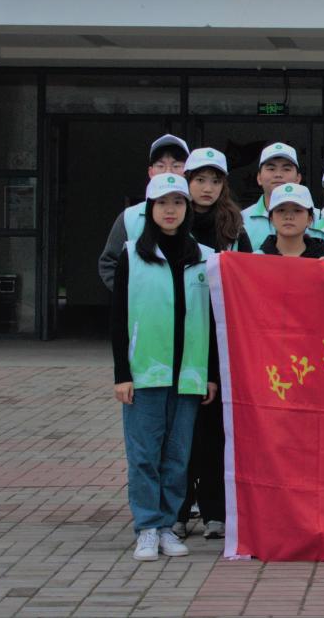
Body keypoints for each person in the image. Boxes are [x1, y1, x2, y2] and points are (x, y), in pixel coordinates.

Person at [109, 173, 218, 561]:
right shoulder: (132, 254)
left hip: (189, 373)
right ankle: (146, 527)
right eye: (162, 203)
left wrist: (210, 375)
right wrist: (122, 374)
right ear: (150, 208)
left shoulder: (205, 256)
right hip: (145, 372)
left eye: (177, 202)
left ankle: (168, 524)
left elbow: (212, 321)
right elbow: (118, 318)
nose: (170, 210)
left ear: (187, 208)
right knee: (144, 455)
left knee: (177, 455)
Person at [173, 147, 246, 541]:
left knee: (216, 432)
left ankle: (216, 511)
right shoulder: (170, 224)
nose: (207, 187)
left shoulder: (234, 229)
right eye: (199, 179)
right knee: (180, 433)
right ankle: (178, 510)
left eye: (215, 180)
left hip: (220, 339)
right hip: (179, 338)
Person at [99, 133, 189, 290]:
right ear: (151, 172)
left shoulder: (197, 215)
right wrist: (132, 295)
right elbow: (109, 263)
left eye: (176, 166)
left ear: (187, 172)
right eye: (160, 166)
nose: (168, 172)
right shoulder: (129, 217)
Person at [240, 142, 302, 252]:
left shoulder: (318, 219)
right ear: (259, 178)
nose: (278, 174)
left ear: (298, 178)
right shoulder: (240, 220)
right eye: (271, 169)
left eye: (286, 169)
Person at [258, 184, 324, 258]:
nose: (288, 217)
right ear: (271, 219)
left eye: (297, 210)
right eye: (281, 210)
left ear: (309, 219)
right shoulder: (256, 259)